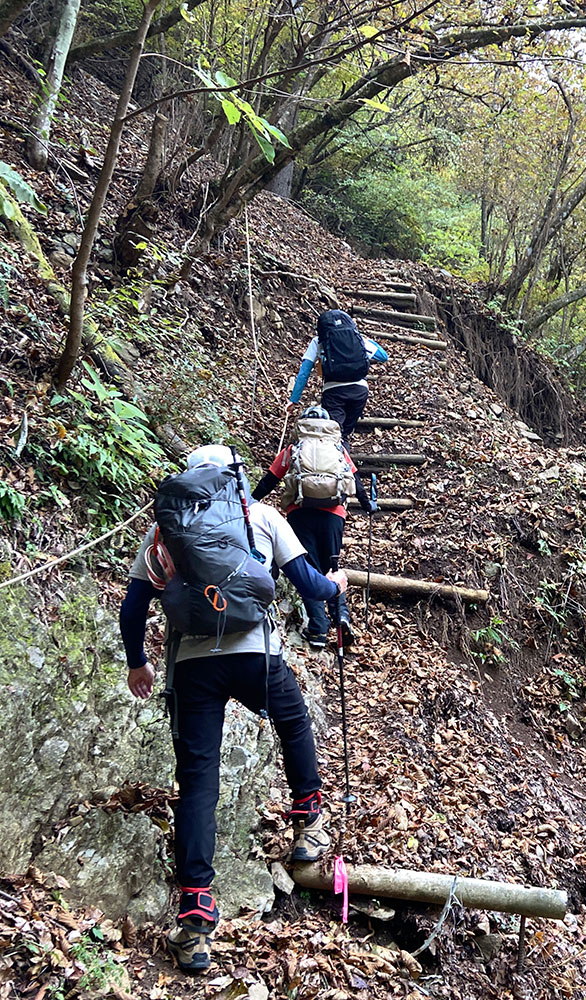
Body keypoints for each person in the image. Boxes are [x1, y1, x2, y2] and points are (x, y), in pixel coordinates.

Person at [119, 444, 349, 973]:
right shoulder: (260, 515)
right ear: (231, 476)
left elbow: (134, 607)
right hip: (255, 656)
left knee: (199, 780)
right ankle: (307, 827)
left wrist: (139, 663)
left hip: (193, 668)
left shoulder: (164, 532)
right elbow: (308, 582)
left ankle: (195, 915)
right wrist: (335, 584)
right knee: (294, 722)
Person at [253, 405, 377, 650]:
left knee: (308, 568)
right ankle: (340, 615)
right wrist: (367, 504)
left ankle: (319, 629)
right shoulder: (337, 448)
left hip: (300, 513)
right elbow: (355, 480)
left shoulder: (293, 449)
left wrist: (249, 502)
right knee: (332, 565)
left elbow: (270, 479)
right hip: (334, 515)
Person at [287, 308, 388, 440]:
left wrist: (293, 400)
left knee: (334, 435)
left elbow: (304, 374)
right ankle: (344, 457)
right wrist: (364, 339)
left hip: (333, 392)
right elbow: (383, 356)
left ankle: (334, 457)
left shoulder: (318, 342)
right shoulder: (357, 339)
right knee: (344, 435)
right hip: (360, 391)